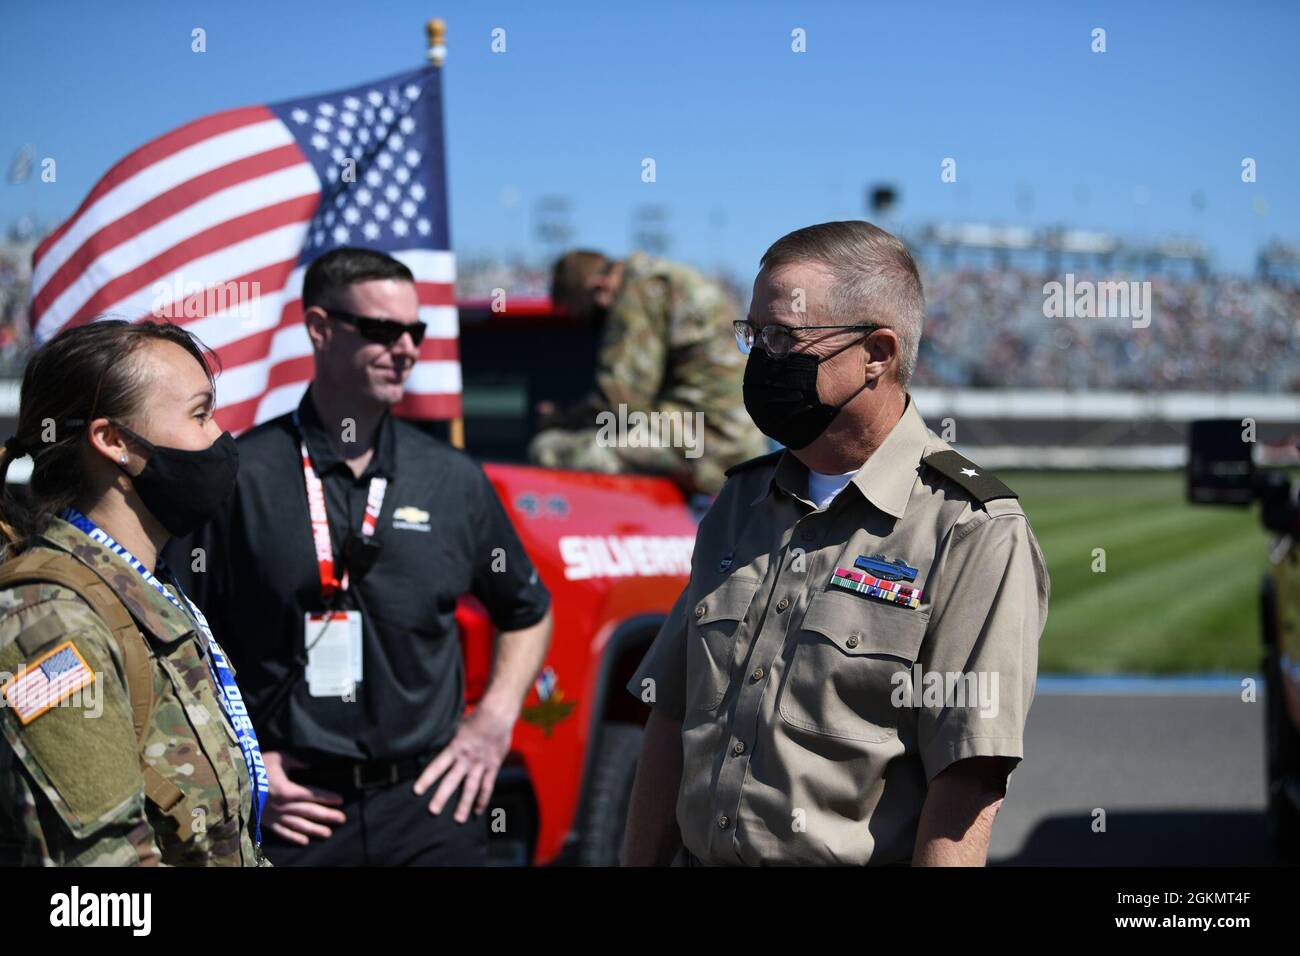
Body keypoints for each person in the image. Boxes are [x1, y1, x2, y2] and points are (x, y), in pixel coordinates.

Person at [621, 221, 1050, 866]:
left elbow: (966, 781)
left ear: (876, 353)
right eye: (753, 336)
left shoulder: (969, 528)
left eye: (782, 338)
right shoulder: (740, 502)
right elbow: (670, 715)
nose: (760, 360)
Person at [177, 247, 553, 866]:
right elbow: (178, 637)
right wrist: (238, 762)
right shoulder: (240, 475)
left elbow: (527, 609)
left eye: (415, 331)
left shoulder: (452, 480)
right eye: (382, 330)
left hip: (431, 808)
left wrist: (493, 722)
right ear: (320, 329)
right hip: (295, 815)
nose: (405, 347)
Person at [0, 320, 265, 866]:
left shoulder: (146, 587)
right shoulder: (50, 623)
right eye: (199, 414)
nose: (218, 436)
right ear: (114, 441)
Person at [528, 249, 768, 495]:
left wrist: (562, 420)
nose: (584, 322)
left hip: (706, 442)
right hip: (744, 441)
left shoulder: (637, 290)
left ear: (599, 289)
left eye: (580, 312)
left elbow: (622, 402)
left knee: (547, 448)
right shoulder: (665, 278)